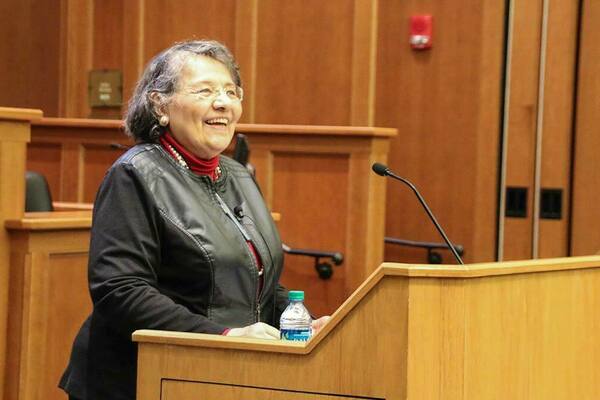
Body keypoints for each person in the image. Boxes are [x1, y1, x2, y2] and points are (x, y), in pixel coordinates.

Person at [59, 39, 328, 400]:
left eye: (231, 92)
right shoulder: (135, 174)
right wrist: (223, 336)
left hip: (222, 375)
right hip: (141, 380)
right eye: (204, 91)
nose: (223, 102)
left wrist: (302, 326)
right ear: (160, 105)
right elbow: (120, 291)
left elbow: (260, 281)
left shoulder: (239, 176)